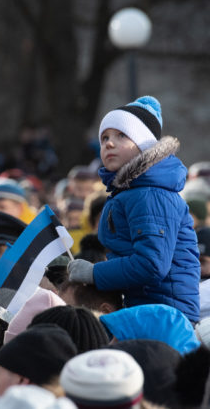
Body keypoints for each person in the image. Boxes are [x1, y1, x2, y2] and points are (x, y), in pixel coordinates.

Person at [67, 96, 200, 322]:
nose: (109, 143)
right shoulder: (135, 191)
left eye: (121, 135)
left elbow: (151, 265)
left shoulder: (149, 193)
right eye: (104, 138)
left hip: (164, 315)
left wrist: (94, 273)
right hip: (150, 309)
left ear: (144, 144)